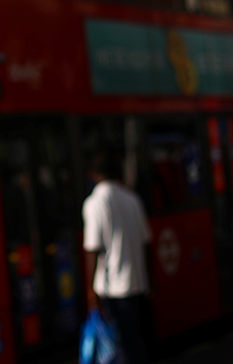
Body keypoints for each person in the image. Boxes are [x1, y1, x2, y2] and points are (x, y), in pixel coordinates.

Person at [82, 151, 152, 364]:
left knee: (118, 348)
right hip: (138, 285)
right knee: (137, 344)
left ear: (93, 174)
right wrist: (150, 281)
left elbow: (92, 249)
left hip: (113, 289)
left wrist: (90, 290)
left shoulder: (95, 203)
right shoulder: (132, 199)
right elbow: (146, 242)